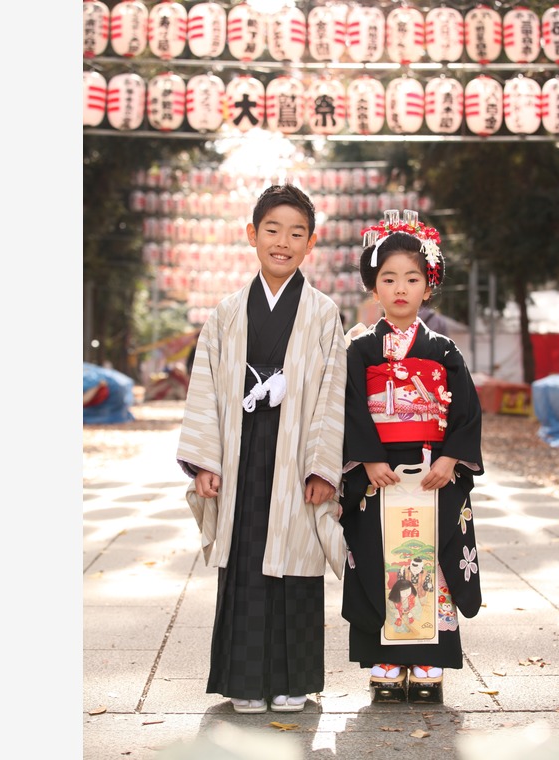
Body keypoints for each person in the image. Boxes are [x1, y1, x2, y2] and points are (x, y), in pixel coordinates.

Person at [176, 184, 347, 715]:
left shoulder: (323, 313)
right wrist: (206, 461)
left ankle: (294, 680)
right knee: (247, 558)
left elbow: (333, 392)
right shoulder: (228, 312)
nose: (282, 242)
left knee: (296, 560)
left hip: (297, 454)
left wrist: (323, 467)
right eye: (272, 230)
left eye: (296, 233)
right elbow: (204, 387)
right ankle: (245, 680)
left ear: (311, 243)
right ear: (252, 235)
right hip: (243, 451)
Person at [339, 210, 484, 701]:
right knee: (379, 557)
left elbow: (466, 412)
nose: (400, 288)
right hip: (377, 474)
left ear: (428, 285)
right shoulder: (360, 350)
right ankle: (384, 657)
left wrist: (450, 460)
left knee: (429, 560)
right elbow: (351, 407)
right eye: (388, 279)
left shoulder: (443, 350)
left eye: (412, 278)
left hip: (431, 473)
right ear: (373, 287)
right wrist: (368, 459)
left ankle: (429, 657)